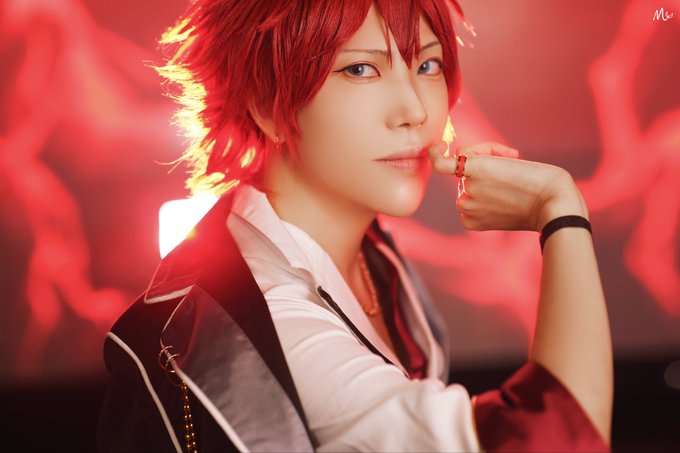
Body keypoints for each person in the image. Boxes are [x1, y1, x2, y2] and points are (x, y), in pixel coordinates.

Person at [97, 0, 614, 451]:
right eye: (361, 70)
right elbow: (554, 434)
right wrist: (560, 210)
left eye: (428, 64)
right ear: (266, 104)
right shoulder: (273, 322)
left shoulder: (368, 251)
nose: (414, 110)